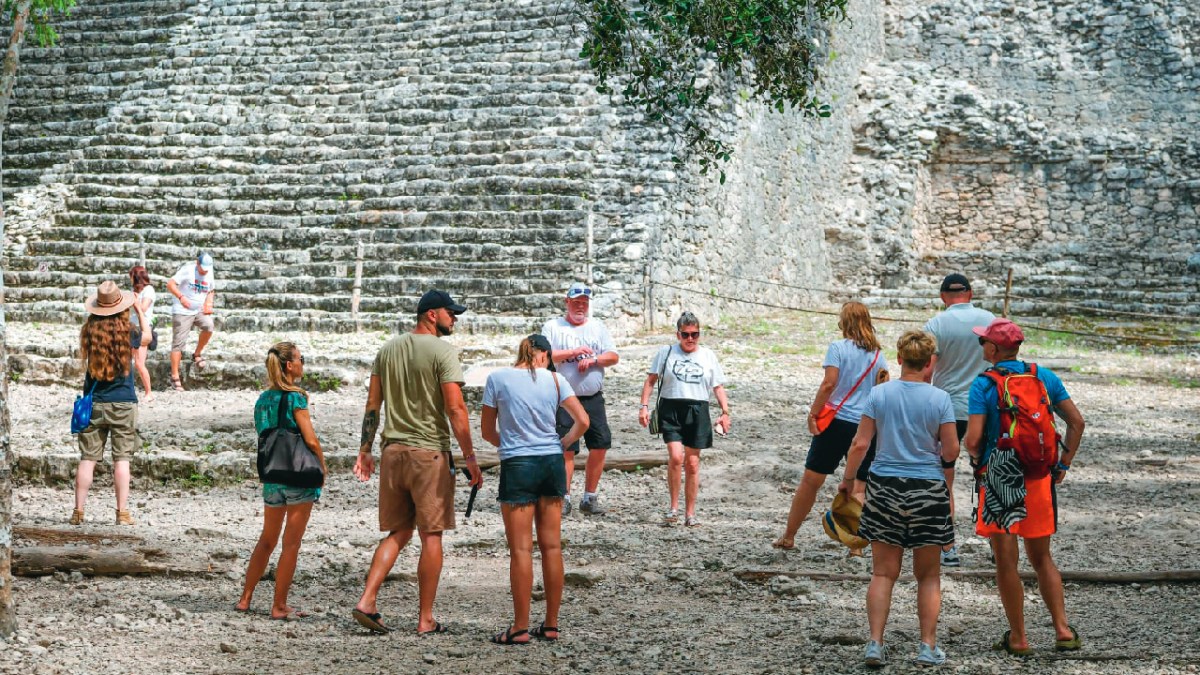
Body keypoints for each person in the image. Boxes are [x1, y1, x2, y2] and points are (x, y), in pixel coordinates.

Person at [351, 290, 483, 635]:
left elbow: (372, 405)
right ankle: (425, 619)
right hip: (429, 454)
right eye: (450, 313)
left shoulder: (387, 349)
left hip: (392, 451)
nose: (454, 318)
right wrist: (470, 457)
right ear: (431, 315)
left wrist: (365, 449)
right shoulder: (443, 351)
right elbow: (455, 408)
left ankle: (367, 600)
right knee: (432, 534)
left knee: (398, 531)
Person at [839, 331, 959, 668]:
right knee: (929, 575)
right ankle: (927, 646)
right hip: (927, 488)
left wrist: (848, 480)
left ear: (900, 358)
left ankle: (875, 643)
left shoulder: (879, 394)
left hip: (885, 487)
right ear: (929, 362)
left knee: (883, 573)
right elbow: (951, 449)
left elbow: (860, 444)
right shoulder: (940, 399)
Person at [965, 318, 1085, 655]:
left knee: (1006, 562)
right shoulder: (1042, 377)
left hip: (1000, 477)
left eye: (983, 342)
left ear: (993, 348)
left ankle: (1018, 637)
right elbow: (1076, 422)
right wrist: (1063, 463)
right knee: (1042, 557)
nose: (982, 347)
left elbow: (973, 439)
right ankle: (1062, 630)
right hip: (1038, 476)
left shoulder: (983, 384)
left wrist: (976, 461)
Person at [481, 334, 589, 645]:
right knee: (552, 547)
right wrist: (562, 443)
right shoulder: (555, 380)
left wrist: (512, 446)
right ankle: (552, 624)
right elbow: (582, 420)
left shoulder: (497, 378)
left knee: (521, 550)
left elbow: (488, 431)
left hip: (518, 465)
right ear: (543, 355)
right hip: (552, 463)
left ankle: (520, 627)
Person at [774, 302, 888, 550]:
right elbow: (882, 389)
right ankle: (856, 544)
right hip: (866, 425)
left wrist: (813, 413)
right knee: (860, 484)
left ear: (844, 323)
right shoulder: (879, 355)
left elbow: (829, 383)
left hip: (837, 422)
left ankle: (789, 535)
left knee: (811, 480)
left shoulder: (838, 348)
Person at [236, 342, 326, 620]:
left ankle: (245, 598)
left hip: (272, 476)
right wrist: (322, 466)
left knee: (267, 539)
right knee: (291, 543)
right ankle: (279, 605)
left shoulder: (262, 399)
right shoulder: (297, 398)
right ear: (289, 365)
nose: (302, 363)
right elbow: (309, 439)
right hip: (298, 476)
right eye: (301, 359)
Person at [923, 273, 995, 567]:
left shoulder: (936, 324)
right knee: (989, 477)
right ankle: (996, 543)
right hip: (985, 406)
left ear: (943, 296)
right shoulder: (989, 319)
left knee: (944, 478)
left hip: (947, 409)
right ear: (971, 292)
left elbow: (927, 372)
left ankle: (947, 547)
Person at [637, 312, 730, 527]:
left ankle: (690, 513)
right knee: (676, 457)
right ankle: (673, 508)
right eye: (685, 335)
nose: (690, 339)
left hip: (698, 409)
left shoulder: (708, 356)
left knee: (693, 462)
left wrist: (725, 411)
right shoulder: (666, 353)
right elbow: (651, 381)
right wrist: (643, 407)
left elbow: (717, 386)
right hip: (671, 408)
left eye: (694, 334)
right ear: (678, 334)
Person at [72, 280, 151, 525]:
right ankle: (122, 513)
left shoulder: (89, 330)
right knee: (122, 460)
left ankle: (78, 512)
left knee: (88, 458)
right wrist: (139, 309)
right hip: (124, 403)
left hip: (94, 402)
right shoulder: (129, 331)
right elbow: (147, 337)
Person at [540, 282, 620, 516]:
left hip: (593, 397)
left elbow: (613, 356)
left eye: (584, 303)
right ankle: (563, 496)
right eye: (576, 302)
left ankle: (589, 496)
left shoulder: (597, 327)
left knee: (600, 444)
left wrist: (594, 360)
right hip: (564, 398)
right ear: (567, 302)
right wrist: (573, 353)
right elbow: (544, 355)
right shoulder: (553, 326)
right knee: (566, 447)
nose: (580, 307)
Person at [166, 251, 216, 392]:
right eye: (202, 269)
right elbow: (170, 284)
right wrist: (181, 297)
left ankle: (197, 354)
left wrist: (209, 303)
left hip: (198, 309)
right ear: (197, 263)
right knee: (179, 343)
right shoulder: (187, 270)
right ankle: (175, 376)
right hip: (182, 310)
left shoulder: (209, 271)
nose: (204, 271)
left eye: (207, 269)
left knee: (209, 326)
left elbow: (211, 289)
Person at [129, 265, 158, 403]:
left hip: (143, 329)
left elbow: (143, 308)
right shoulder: (134, 291)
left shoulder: (149, 290)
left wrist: (135, 301)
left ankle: (149, 392)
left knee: (139, 363)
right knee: (126, 361)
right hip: (132, 327)